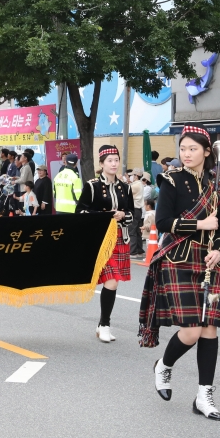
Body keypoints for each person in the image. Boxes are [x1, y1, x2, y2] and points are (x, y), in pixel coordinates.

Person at [140, 126, 220, 421]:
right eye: (183, 149)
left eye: (193, 149)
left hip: (210, 261)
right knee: (192, 330)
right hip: (179, 259)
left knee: (210, 329)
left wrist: (219, 249)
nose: (187, 154)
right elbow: (164, 221)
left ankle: (204, 395)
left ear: (207, 151)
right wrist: (200, 226)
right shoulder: (171, 180)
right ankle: (164, 366)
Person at [76, 145, 134, 343]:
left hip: (120, 237)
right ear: (101, 164)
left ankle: (103, 324)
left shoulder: (125, 187)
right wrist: (105, 216)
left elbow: (133, 214)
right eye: (109, 160)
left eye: (116, 160)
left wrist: (123, 215)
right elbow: (80, 212)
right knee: (112, 280)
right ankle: (105, 324)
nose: (114, 164)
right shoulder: (91, 186)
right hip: (100, 239)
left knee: (114, 282)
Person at [129, 168, 146, 258]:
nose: (131, 176)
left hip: (134, 209)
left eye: (132, 175)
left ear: (136, 176)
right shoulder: (139, 184)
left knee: (132, 230)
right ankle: (139, 250)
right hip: (138, 210)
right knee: (137, 231)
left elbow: (126, 191)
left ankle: (133, 252)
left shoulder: (136, 185)